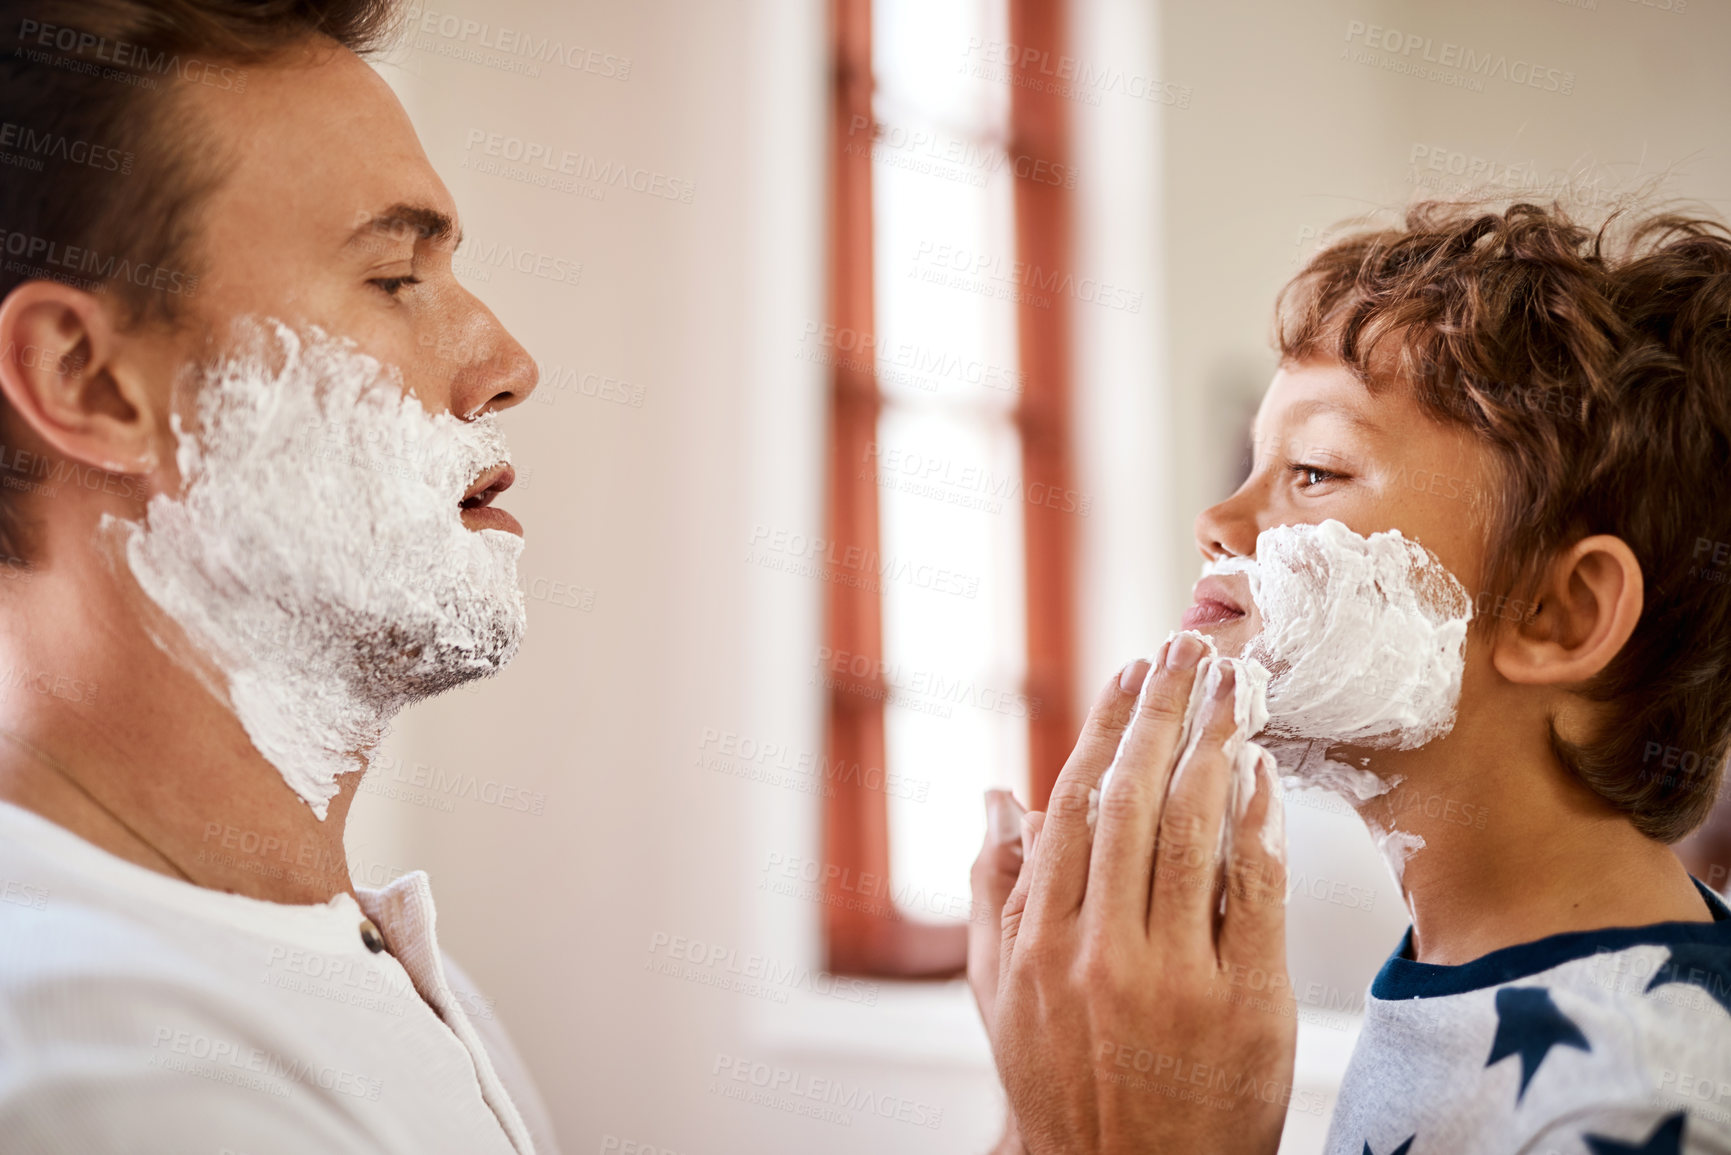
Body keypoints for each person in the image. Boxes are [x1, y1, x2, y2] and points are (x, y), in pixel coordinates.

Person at [970, 202, 1731, 1154]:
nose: (1216, 518)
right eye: (1255, 462)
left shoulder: (1629, 1113)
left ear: (1557, 613)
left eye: (1315, 470)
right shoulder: (1469, 968)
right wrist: (1042, 1098)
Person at [0, 2, 557, 1151]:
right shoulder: (104, 1080)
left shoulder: (345, 948)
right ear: (90, 383)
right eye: (396, 276)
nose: (507, 365)